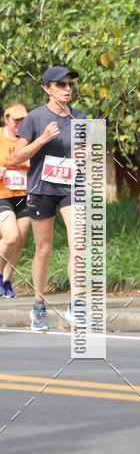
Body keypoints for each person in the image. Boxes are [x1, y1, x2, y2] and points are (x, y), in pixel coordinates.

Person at [12, 65, 86, 332]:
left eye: (70, 84)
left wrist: (85, 155)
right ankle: (38, 305)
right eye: (61, 85)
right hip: (42, 188)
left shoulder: (80, 116)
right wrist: (42, 139)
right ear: (47, 89)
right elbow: (17, 157)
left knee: (79, 242)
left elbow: (88, 153)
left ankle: (76, 304)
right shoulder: (34, 118)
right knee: (44, 249)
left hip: (72, 186)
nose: (68, 89)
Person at [0, 103, 31, 297]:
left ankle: (6, 281)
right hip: (2, 194)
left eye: (23, 119)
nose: (20, 123)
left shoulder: (27, 139)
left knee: (20, 239)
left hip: (24, 194)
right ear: (6, 119)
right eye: (16, 119)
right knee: (11, 236)